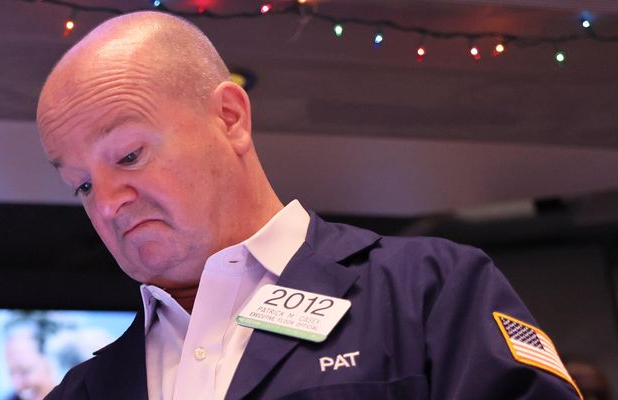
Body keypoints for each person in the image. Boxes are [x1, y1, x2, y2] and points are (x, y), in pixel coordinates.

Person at [34, 11, 582, 400]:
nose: (107, 205)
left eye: (128, 156)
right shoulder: (85, 389)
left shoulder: (427, 292)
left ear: (229, 119)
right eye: (81, 185)